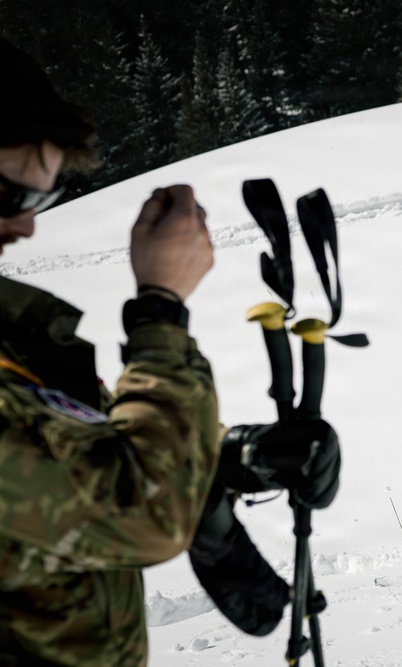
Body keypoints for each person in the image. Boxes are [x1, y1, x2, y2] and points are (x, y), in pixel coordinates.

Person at [0, 38, 339, 665]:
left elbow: (97, 449)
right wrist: (160, 308)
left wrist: (237, 457)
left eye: (41, 198)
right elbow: (139, 509)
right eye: (11, 196)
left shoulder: (16, 334)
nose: (26, 227)